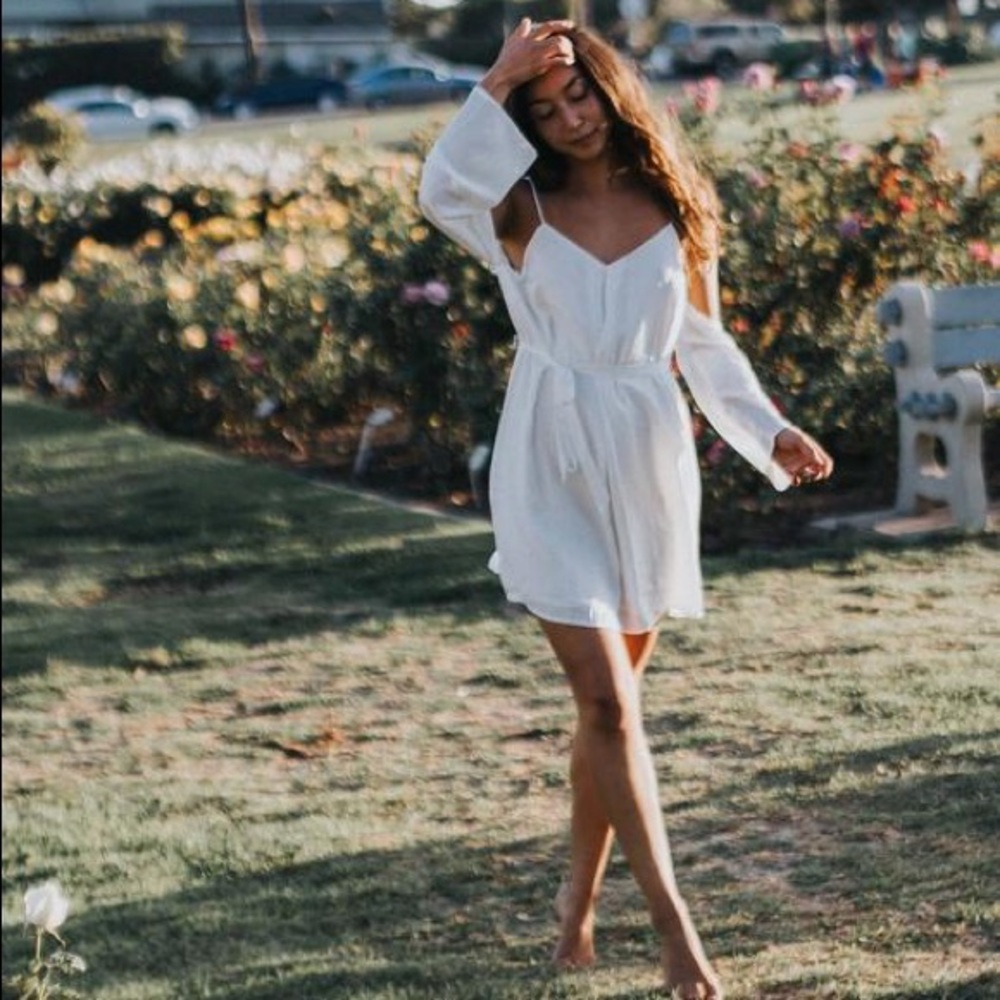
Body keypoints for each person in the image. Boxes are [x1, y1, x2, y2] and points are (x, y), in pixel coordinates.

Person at [418, 19, 833, 1000]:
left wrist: (769, 430)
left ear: (613, 92)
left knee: (610, 710)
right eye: (545, 108)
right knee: (607, 700)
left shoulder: (677, 204)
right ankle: (677, 936)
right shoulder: (513, 204)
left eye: (580, 97)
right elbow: (439, 189)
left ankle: (575, 902)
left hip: (646, 457)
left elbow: (702, 341)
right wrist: (498, 76)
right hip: (549, 453)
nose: (569, 119)